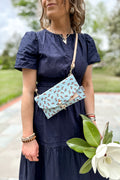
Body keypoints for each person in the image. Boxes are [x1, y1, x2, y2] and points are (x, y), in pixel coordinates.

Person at [14, 0, 107, 179]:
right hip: (46, 130)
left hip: (78, 126)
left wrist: (92, 121)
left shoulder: (85, 42)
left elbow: (87, 84)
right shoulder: (34, 40)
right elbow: (27, 90)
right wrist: (28, 138)